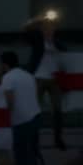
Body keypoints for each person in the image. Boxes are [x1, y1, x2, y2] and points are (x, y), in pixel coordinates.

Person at [24, 14, 68, 151]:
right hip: (39, 77)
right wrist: (38, 19)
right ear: (42, 29)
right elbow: (26, 28)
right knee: (35, 110)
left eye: (51, 27)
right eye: (47, 28)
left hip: (54, 79)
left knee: (57, 109)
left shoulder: (57, 43)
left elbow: (66, 54)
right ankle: (33, 139)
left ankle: (58, 138)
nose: (49, 30)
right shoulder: (37, 40)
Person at [0, 50, 41, 165]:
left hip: (20, 120)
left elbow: (9, 101)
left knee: (21, 154)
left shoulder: (8, 78)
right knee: (32, 152)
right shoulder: (28, 75)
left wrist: (3, 121)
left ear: (5, 64)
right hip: (35, 116)